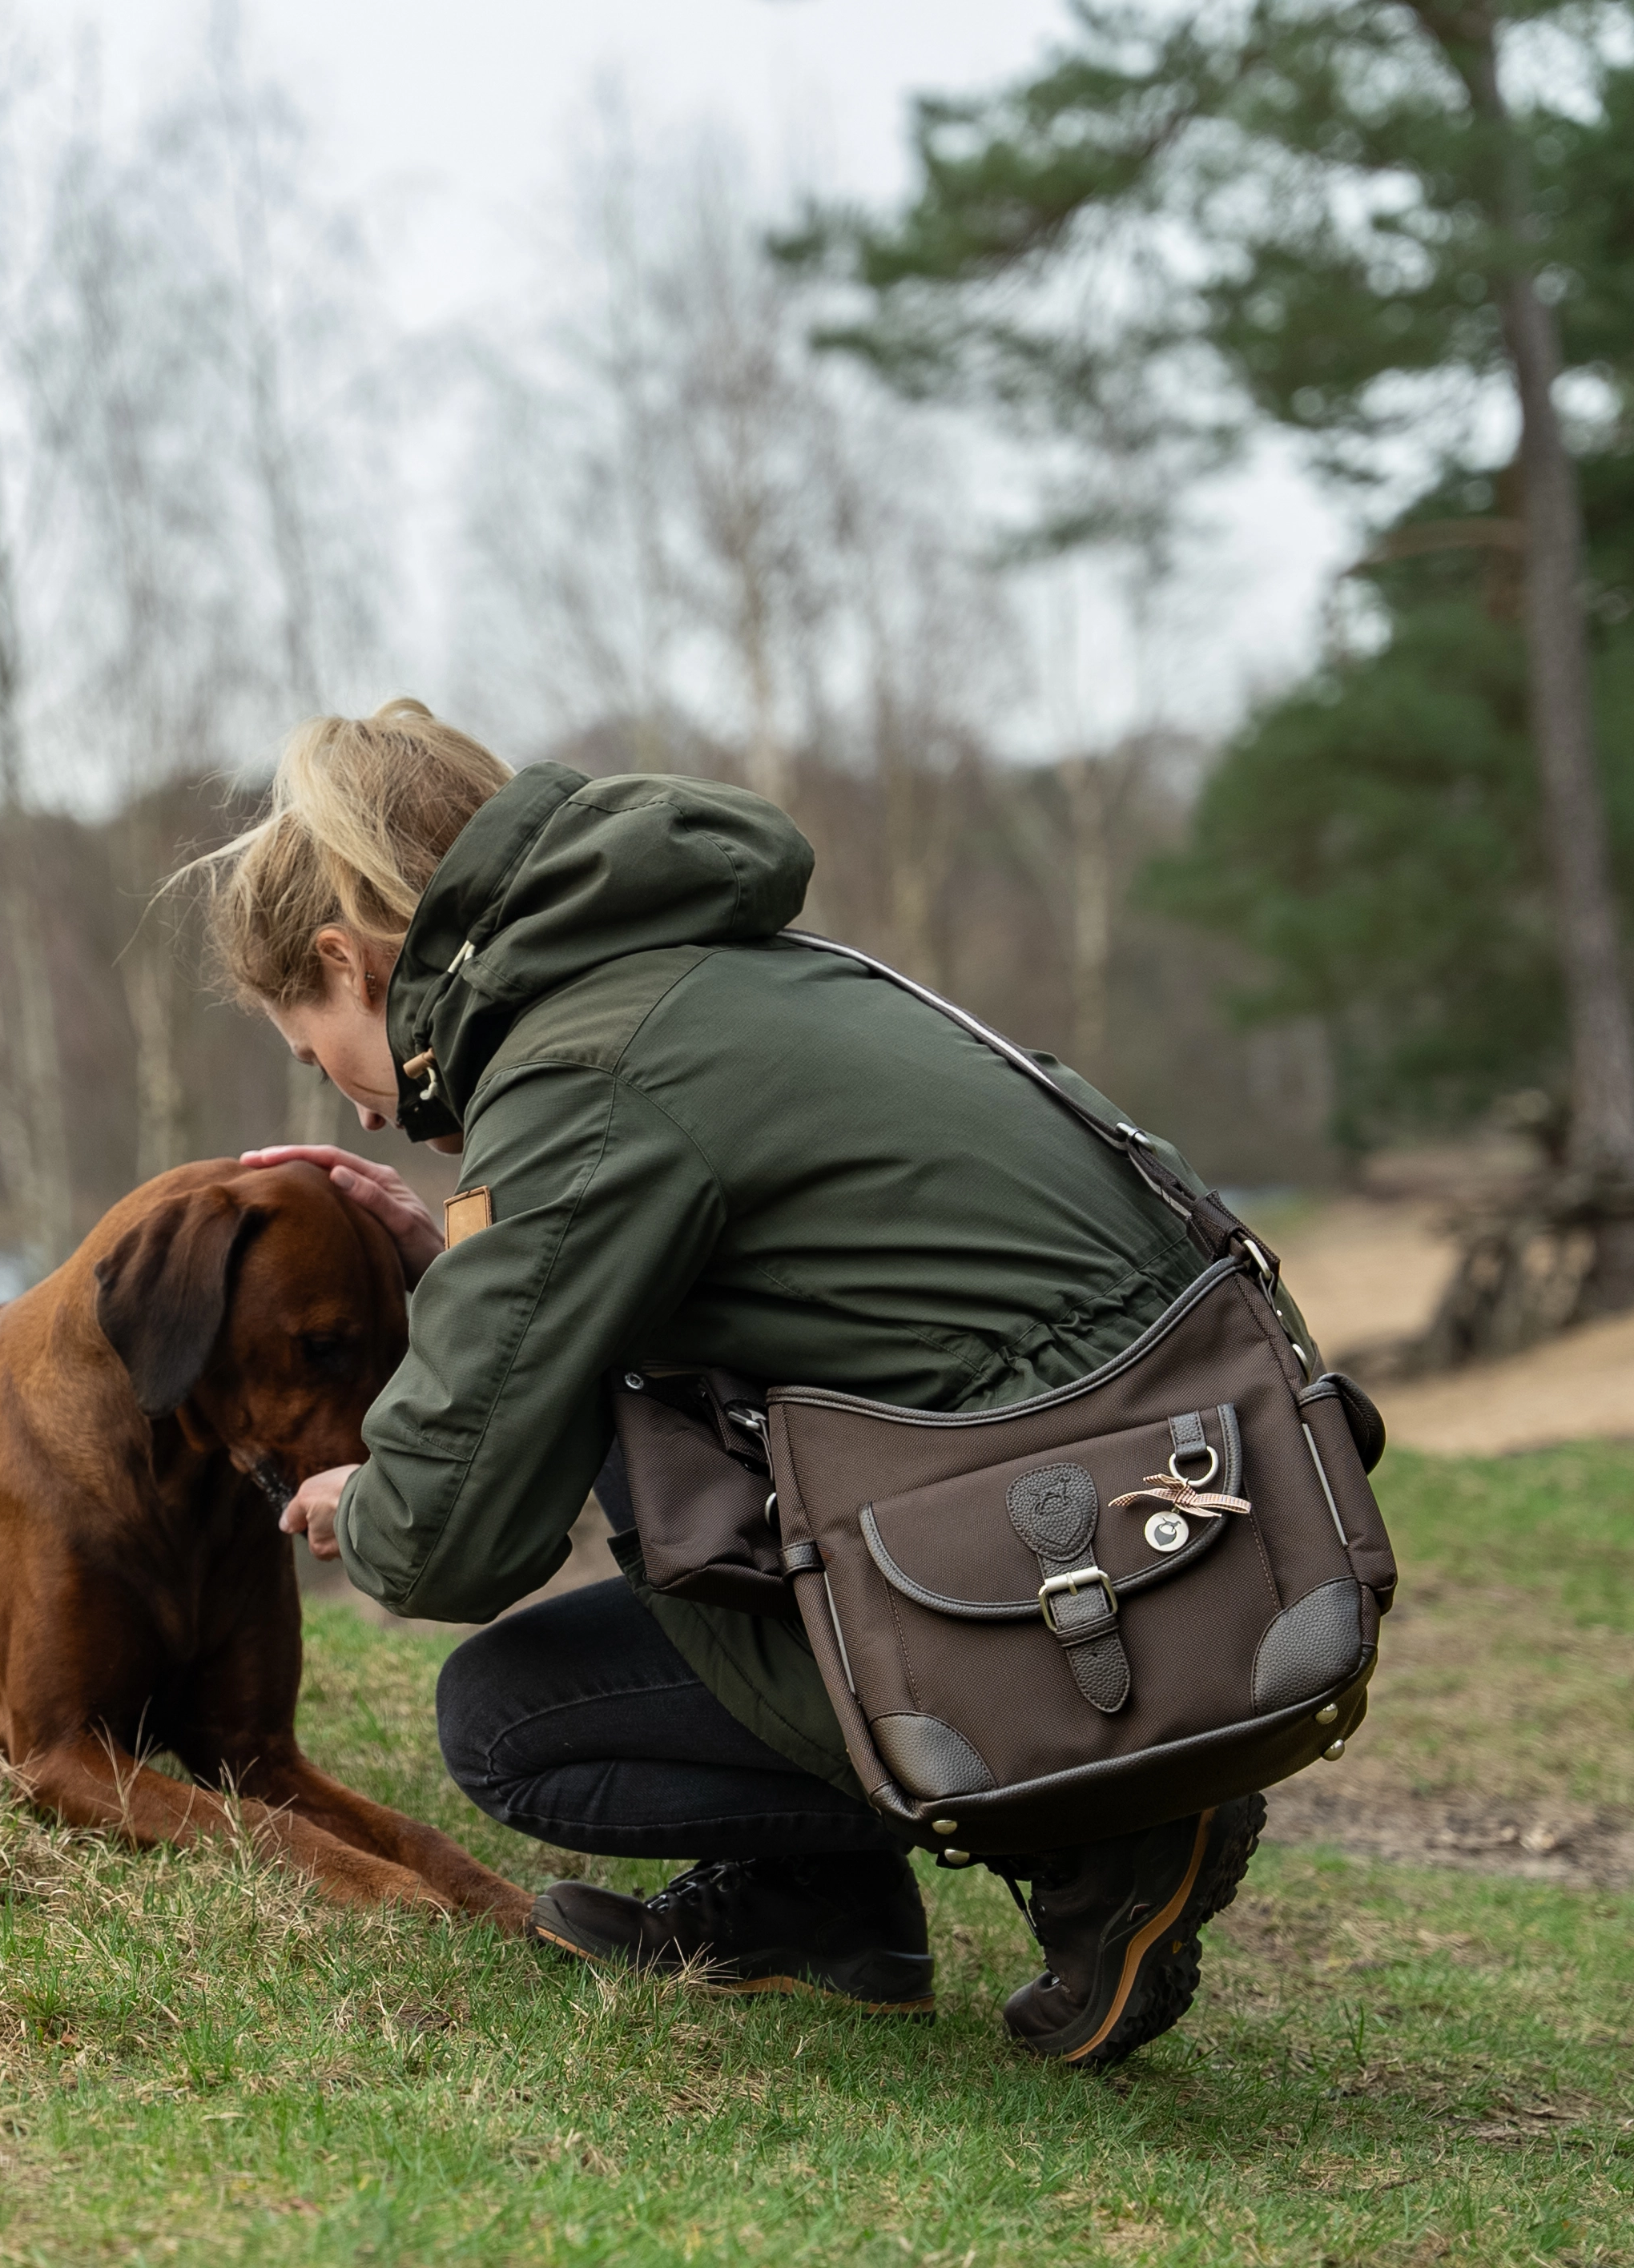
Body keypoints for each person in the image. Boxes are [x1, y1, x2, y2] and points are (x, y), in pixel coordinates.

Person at [196, 697, 1277, 2069]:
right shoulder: (713, 969)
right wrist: (457, 1265)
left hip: (1082, 1569)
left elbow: (446, 1544)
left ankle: (1098, 1819)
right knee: (599, 1435)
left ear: (350, 962)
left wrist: (365, 1496)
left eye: (318, 1052)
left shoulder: (582, 1069)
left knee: (512, 1724)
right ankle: (827, 1913)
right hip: (1181, 1490)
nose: (354, 1108)